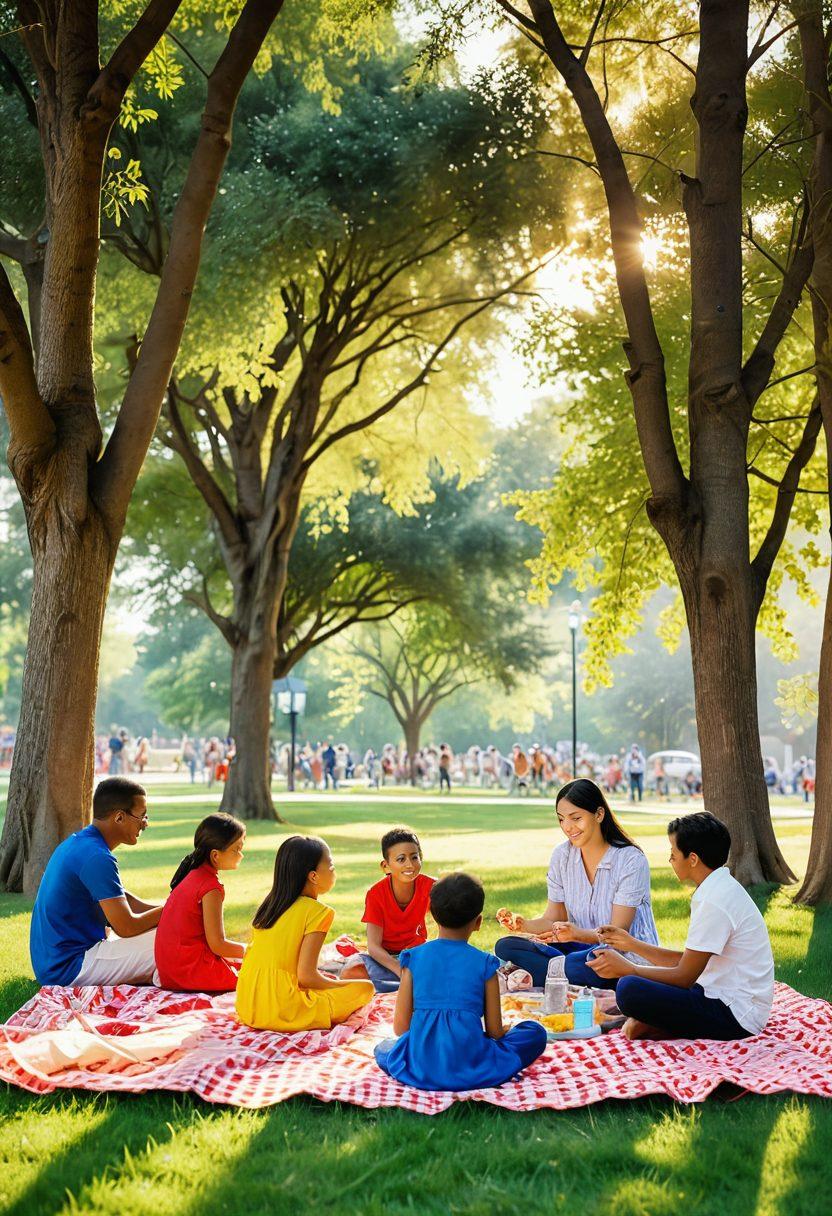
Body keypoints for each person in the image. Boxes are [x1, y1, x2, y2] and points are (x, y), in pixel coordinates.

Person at [587, 812, 774, 1041]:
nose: (670, 860)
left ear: (692, 859)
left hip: (736, 1015)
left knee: (629, 988)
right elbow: (687, 962)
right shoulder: (717, 887)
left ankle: (649, 1024)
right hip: (713, 990)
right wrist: (631, 944)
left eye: (673, 854)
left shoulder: (715, 901)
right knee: (634, 986)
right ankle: (647, 1024)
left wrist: (629, 968)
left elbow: (684, 976)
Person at [374, 872, 548, 1091]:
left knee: (384, 1048)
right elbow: (495, 1032)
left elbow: (400, 1028)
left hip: (422, 1066)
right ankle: (483, 1067)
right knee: (534, 1032)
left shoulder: (413, 958)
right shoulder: (485, 963)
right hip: (473, 1065)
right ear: (478, 922)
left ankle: (421, 1065)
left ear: (432, 915)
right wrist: (503, 1030)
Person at [494, 778, 658, 987]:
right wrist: (523, 925)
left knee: (587, 961)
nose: (568, 827)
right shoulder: (562, 856)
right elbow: (553, 918)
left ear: (599, 814)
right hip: (579, 949)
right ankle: (557, 970)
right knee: (506, 946)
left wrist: (577, 934)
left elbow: (617, 934)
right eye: (561, 819)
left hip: (622, 957)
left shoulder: (631, 860)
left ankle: (549, 971)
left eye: (576, 818)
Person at [29, 777, 163, 987]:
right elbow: (126, 926)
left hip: (56, 963)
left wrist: (172, 909)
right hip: (69, 968)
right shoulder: (96, 856)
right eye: (142, 816)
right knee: (170, 942)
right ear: (119, 817)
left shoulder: (82, 843)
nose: (145, 823)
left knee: (166, 934)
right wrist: (170, 912)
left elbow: (123, 901)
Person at [235, 835, 374, 1031]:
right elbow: (306, 977)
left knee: (330, 982)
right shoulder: (318, 912)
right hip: (283, 1009)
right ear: (313, 876)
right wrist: (340, 986)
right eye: (331, 866)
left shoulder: (271, 906)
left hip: (248, 1005)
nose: (334, 871)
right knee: (365, 988)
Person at [154, 813, 247, 993]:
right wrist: (252, 950)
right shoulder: (210, 888)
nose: (241, 855)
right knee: (260, 975)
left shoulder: (192, 875)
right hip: (190, 973)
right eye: (236, 849)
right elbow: (218, 945)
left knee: (245, 964)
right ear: (215, 855)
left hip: (170, 973)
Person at [354, 827, 435, 992]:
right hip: (385, 958)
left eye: (414, 857)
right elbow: (373, 946)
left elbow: (448, 926)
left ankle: (404, 985)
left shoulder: (432, 887)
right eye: (401, 859)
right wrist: (400, 970)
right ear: (386, 866)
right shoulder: (375, 894)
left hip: (417, 954)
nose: (409, 864)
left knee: (444, 965)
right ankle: (408, 984)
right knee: (352, 971)